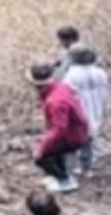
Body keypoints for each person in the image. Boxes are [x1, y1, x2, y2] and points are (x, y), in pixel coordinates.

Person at [29, 63, 91, 193]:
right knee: (52, 149)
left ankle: (65, 181)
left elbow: (59, 130)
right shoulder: (60, 87)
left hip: (73, 136)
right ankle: (62, 176)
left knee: (41, 156)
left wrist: (41, 147)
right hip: (77, 131)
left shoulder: (55, 102)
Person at [63, 43, 111, 177]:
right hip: (97, 108)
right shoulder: (100, 72)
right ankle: (87, 167)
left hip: (79, 111)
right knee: (89, 137)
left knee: (78, 139)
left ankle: (78, 166)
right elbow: (106, 93)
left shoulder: (71, 75)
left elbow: (67, 96)